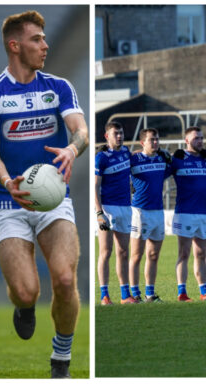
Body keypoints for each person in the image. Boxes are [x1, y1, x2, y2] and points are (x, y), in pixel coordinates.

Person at [0, 10, 88, 378]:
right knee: (26, 292)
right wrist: (9, 183)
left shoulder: (59, 87)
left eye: (44, 37)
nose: (45, 44)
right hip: (8, 201)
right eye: (36, 39)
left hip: (54, 199)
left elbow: (81, 130)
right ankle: (22, 307)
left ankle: (61, 360)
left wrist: (73, 149)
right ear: (15, 45)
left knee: (66, 279)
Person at [95, 121, 138, 305]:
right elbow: (95, 186)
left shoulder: (126, 152)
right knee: (106, 252)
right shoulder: (101, 157)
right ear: (107, 136)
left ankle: (125, 295)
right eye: (115, 133)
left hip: (125, 208)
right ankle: (104, 295)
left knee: (123, 252)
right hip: (107, 208)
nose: (119, 136)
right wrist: (99, 212)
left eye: (121, 133)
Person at [171, 127, 206, 301]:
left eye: (202, 138)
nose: (200, 141)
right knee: (184, 253)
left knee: (201, 254)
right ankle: (182, 292)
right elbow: (159, 168)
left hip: (203, 212)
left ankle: (204, 291)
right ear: (186, 141)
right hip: (184, 213)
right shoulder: (178, 159)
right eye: (196, 138)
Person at [129, 128, 172, 302]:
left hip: (157, 211)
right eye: (151, 140)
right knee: (136, 255)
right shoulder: (134, 159)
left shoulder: (163, 159)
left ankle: (150, 293)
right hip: (139, 211)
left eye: (157, 139)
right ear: (142, 143)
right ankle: (134, 294)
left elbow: (171, 170)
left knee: (153, 255)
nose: (155, 142)